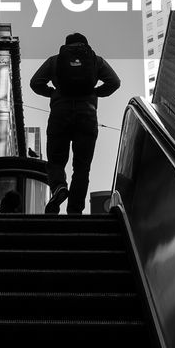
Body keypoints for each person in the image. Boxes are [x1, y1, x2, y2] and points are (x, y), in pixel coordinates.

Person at [30, 33, 121, 214]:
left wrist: (53, 93)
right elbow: (114, 82)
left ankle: (59, 187)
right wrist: (95, 93)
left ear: (66, 45)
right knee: (82, 167)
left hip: (59, 115)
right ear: (86, 45)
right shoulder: (96, 61)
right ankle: (75, 210)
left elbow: (35, 82)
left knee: (56, 161)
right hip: (87, 116)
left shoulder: (55, 61)